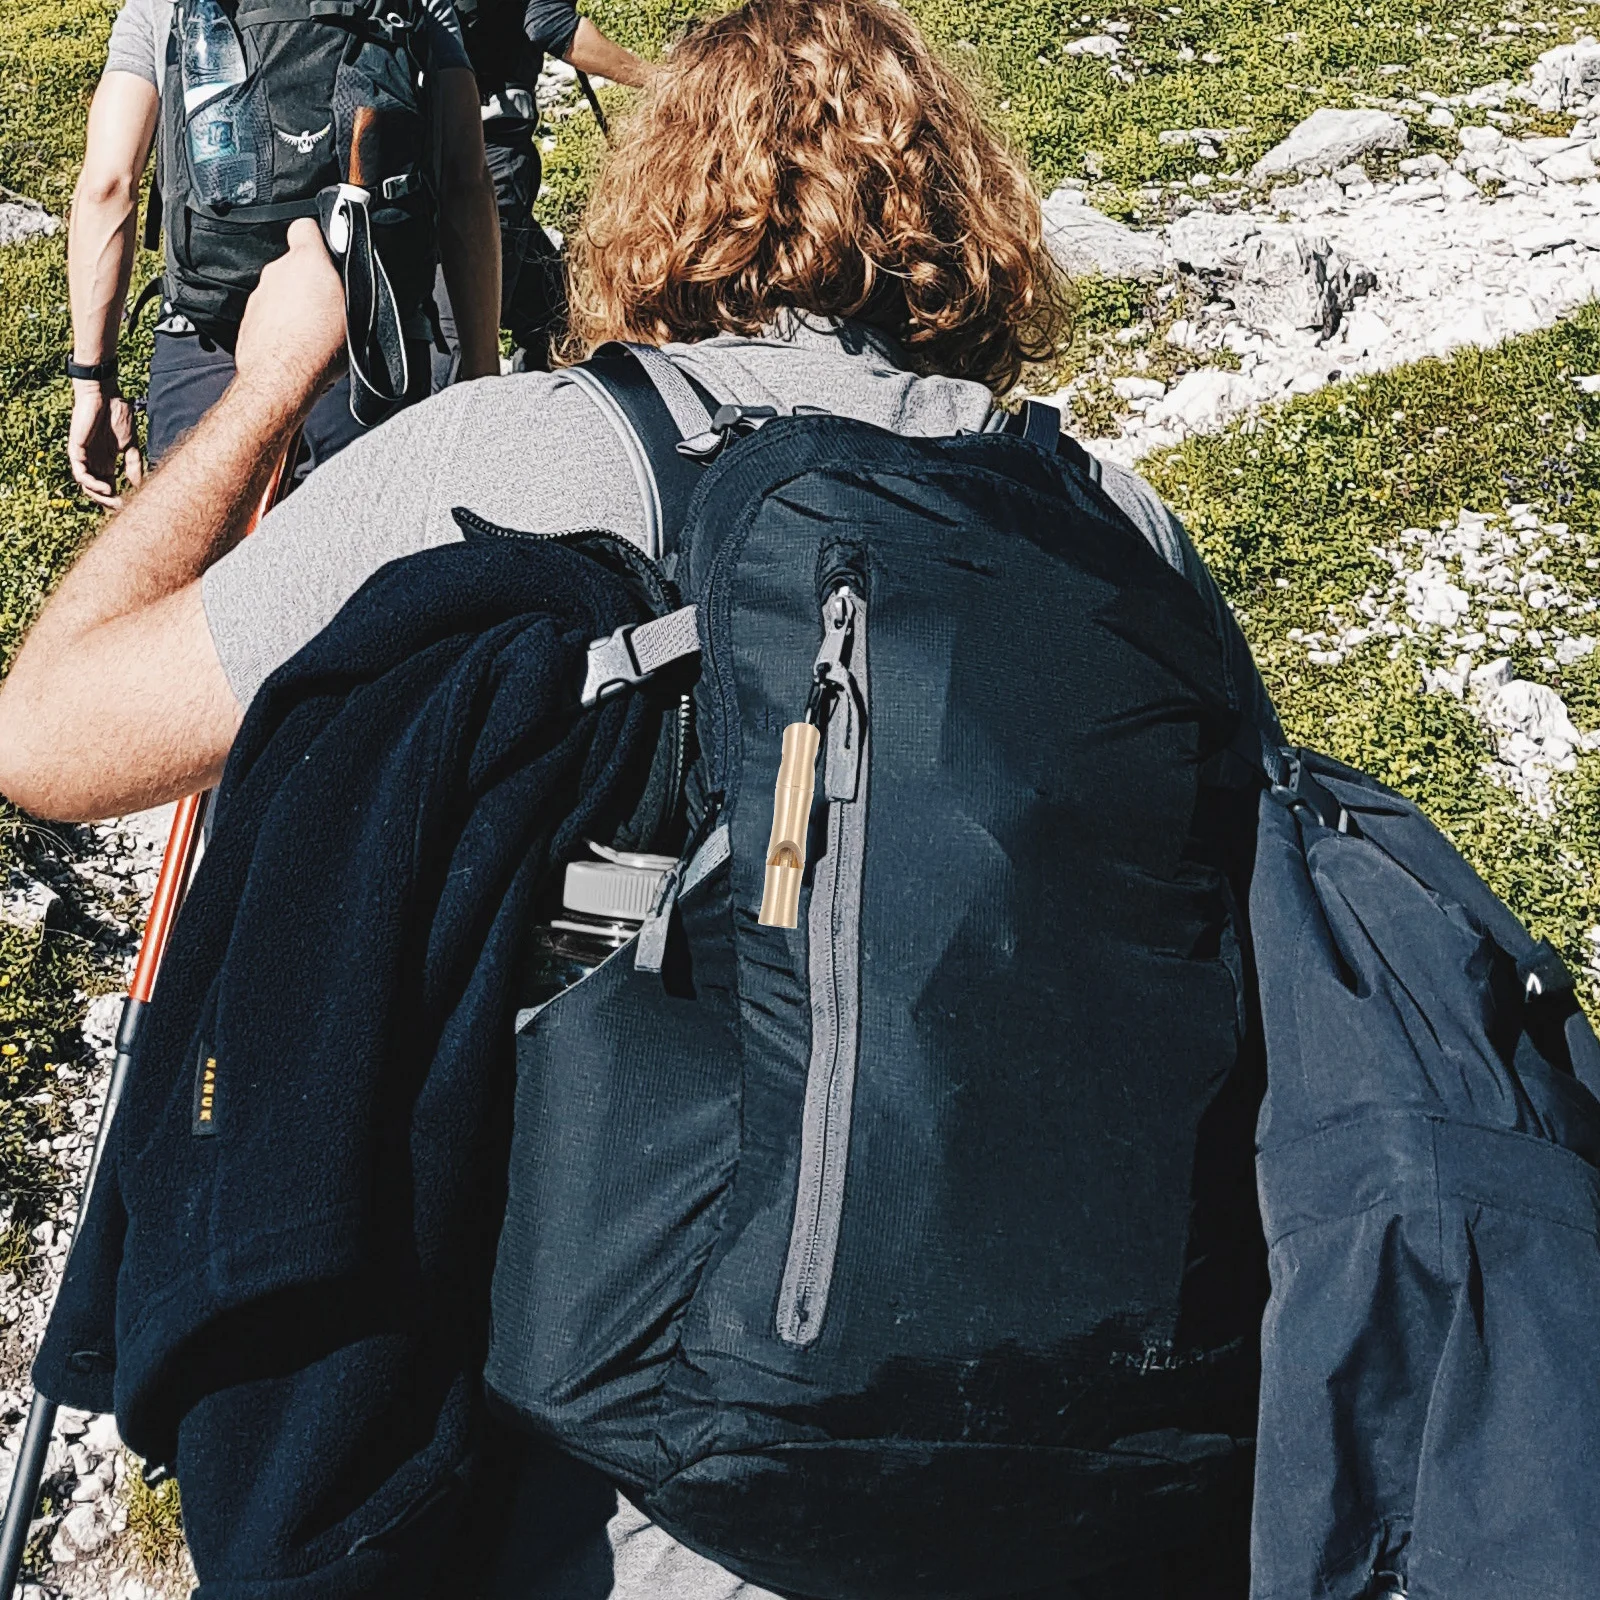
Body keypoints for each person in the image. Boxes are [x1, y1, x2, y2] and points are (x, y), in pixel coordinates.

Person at [0, 1, 1266, 1590]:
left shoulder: (555, 456)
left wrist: (265, 388)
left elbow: (45, 737)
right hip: (1112, 1453)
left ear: (660, 200)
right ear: (969, 213)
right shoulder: (1113, 520)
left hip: (645, 1484)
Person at [66, 0, 501, 510]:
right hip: (369, 352)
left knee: (198, 570)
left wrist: (92, 381)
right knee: (361, 574)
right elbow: (466, 180)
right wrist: (482, 369)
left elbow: (108, 185)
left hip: (210, 350)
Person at [432, 0, 654, 384]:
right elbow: (552, 26)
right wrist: (659, 79)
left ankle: (543, 417)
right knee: (462, 339)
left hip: (424, 152)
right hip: (490, 155)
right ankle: (444, 434)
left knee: (553, 310)